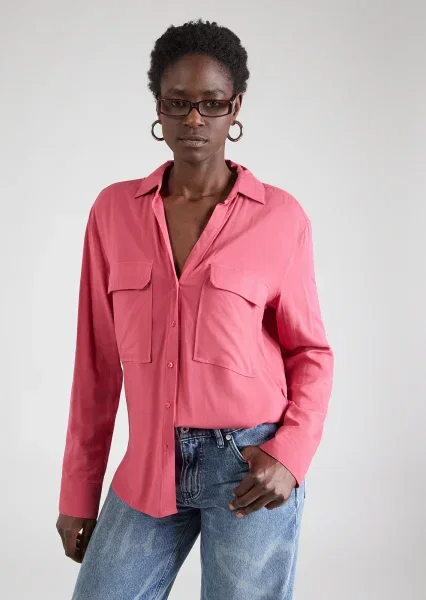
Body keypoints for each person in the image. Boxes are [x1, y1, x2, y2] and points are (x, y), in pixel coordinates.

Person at [56, 18, 334, 600]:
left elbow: (310, 353)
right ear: (158, 107)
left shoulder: (280, 217)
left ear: (236, 108)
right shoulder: (114, 212)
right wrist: (78, 492)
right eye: (178, 102)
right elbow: (96, 367)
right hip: (148, 465)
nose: (193, 119)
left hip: (250, 467)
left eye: (212, 104)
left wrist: (290, 457)